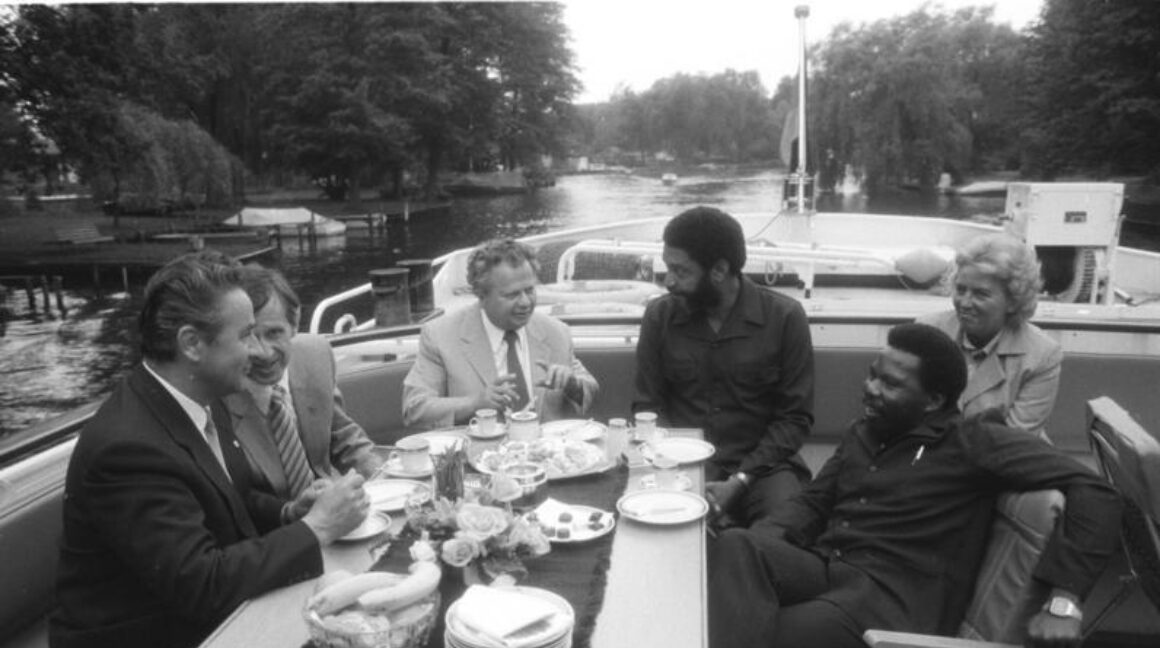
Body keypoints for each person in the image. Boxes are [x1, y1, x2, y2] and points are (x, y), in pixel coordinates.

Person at [707, 323, 1121, 648]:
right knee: (739, 547)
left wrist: (1065, 600)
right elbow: (810, 505)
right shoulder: (865, 433)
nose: (870, 388)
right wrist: (747, 574)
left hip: (887, 615)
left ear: (935, 401)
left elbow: (1096, 490)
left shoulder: (972, 442)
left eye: (889, 383)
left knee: (727, 647)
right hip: (833, 572)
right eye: (871, 374)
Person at [49, 253, 369, 648]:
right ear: (192, 344)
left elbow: (233, 497)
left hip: (192, 614)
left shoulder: (202, 396)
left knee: (359, 628)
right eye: (244, 336)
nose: (258, 352)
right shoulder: (128, 449)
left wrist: (288, 513)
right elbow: (201, 584)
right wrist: (315, 529)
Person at [633, 206, 814, 526]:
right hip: (680, 464)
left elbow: (794, 419)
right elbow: (648, 406)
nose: (669, 282)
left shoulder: (785, 318)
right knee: (670, 533)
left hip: (764, 467)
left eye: (681, 271)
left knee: (785, 532)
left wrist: (742, 478)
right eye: (667, 268)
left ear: (719, 270)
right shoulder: (659, 317)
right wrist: (678, 471)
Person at [223, 266, 383, 511]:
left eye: (274, 333)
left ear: (295, 322)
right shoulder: (218, 393)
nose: (263, 352)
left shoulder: (315, 354)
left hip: (335, 508)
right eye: (248, 337)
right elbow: (237, 499)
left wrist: (380, 475)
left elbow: (342, 436)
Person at [402, 238, 599, 428]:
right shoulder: (440, 336)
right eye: (512, 295)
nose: (525, 302)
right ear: (481, 294)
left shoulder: (556, 331)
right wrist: (474, 404)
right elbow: (414, 408)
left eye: (529, 290)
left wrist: (572, 385)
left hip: (547, 456)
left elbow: (589, 389)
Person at [918, 232, 1062, 438]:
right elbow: (908, 413)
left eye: (980, 294)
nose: (965, 303)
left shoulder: (1043, 355)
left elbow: (1016, 441)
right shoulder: (927, 331)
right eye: (960, 289)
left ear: (1013, 301)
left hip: (1005, 462)